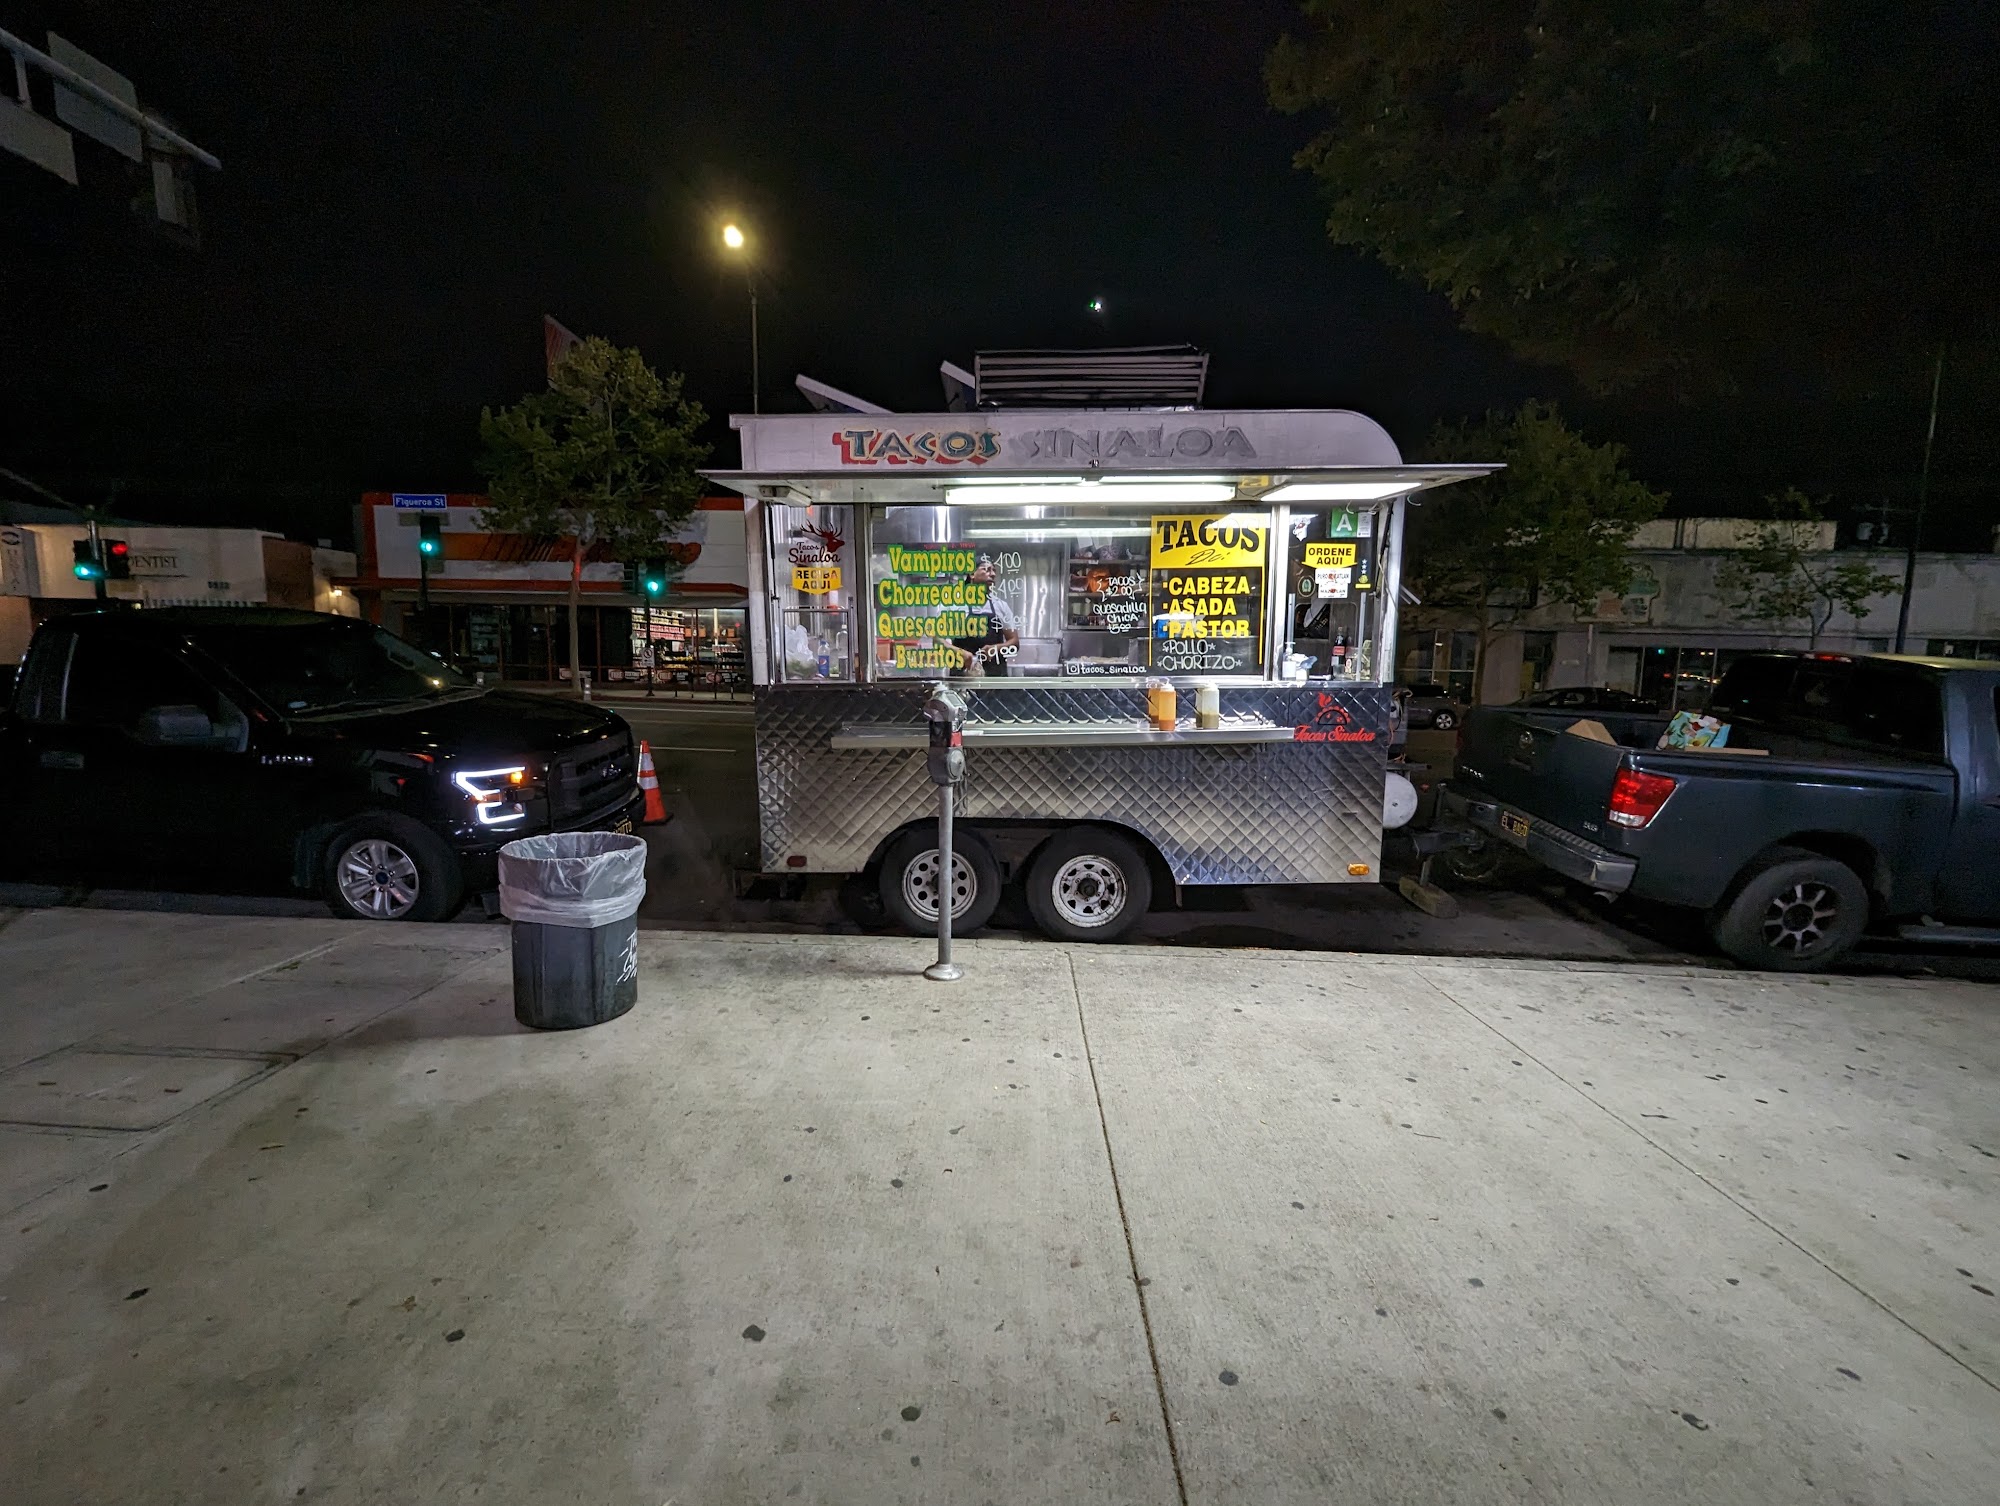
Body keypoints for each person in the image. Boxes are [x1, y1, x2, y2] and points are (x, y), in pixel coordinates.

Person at [950, 554, 1020, 677]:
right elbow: (939, 641)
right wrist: (960, 653)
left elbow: (1014, 642)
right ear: (972, 574)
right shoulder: (955, 605)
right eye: (986, 569)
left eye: (994, 571)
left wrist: (996, 648)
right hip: (962, 679)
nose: (992, 574)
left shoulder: (1001, 606)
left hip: (995, 680)